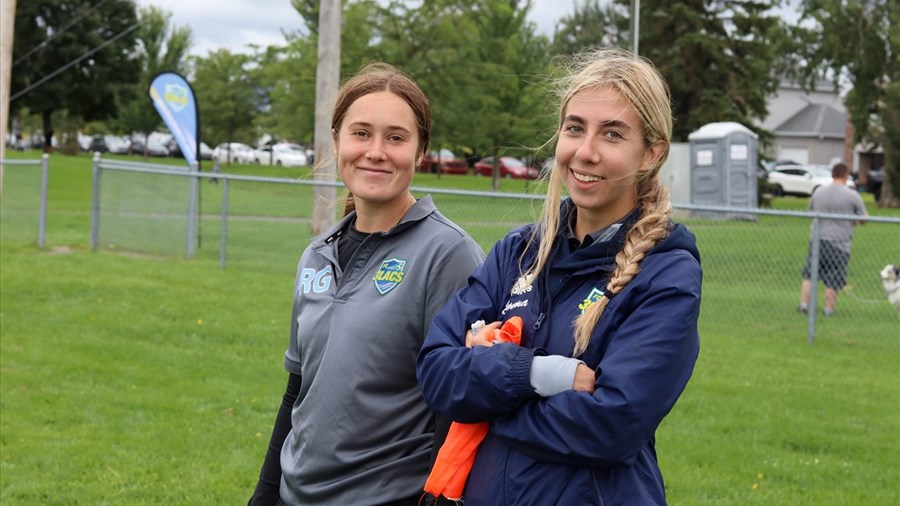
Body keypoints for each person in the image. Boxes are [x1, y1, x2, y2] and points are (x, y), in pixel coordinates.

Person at [417, 48, 702, 505]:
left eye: (612, 134)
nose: (585, 152)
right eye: (575, 128)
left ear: (651, 153)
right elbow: (435, 371)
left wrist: (485, 400)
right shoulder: (517, 252)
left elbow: (610, 426)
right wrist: (533, 374)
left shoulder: (665, 274)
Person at [248, 62, 485, 506]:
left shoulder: (449, 254)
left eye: (395, 138)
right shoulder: (316, 253)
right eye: (361, 133)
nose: (376, 151)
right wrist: (264, 495)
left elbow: (457, 408)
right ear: (337, 141)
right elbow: (298, 391)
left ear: (420, 153)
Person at [798, 162, 867, 317]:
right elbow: (864, 218)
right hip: (839, 243)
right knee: (834, 278)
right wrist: (853, 220)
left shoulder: (819, 192)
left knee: (810, 274)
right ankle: (828, 310)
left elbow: (812, 211)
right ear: (845, 175)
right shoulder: (852, 195)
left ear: (832, 174)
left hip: (817, 239)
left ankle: (803, 305)